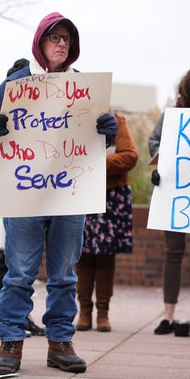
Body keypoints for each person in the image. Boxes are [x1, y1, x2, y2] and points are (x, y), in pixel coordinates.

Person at [0, 12, 119, 375]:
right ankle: (10, 340)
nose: (62, 44)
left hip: (69, 192)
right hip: (25, 190)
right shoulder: (15, 84)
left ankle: (60, 341)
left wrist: (109, 130)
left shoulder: (84, 88)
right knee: (19, 271)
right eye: (54, 37)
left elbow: (100, 144)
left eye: (67, 39)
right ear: (39, 41)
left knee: (64, 273)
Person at [148, 65, 190, 337]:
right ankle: (168, 315)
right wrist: (160, 164)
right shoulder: (173, 116)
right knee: (172, 252)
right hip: (174, 191)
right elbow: (154, 142)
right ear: (186, 90)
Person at [0, 57, 45, 337]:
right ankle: (1, 317)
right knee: (7, 254)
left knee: (21, 257)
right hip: (10, 185)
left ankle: (18, 316)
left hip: (31, 185)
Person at [75, 112, 138, 332]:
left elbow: (130, 156)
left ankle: (103, 312)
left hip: (111, 195)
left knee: (105, 255)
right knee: (81, 252)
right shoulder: (76, 118)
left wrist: (96, 163)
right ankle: (84, 310)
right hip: (81, 192)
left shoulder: (117, 120)